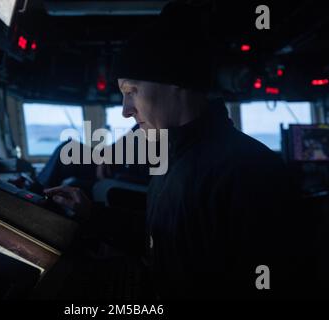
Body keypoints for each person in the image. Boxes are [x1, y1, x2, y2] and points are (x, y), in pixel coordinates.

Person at [45, 1, 309, 299]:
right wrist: (92, 214)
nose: (125, 110)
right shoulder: (172, 155)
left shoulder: (250, 172)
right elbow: (163, 241)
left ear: (177, 82)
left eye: (131, 92)